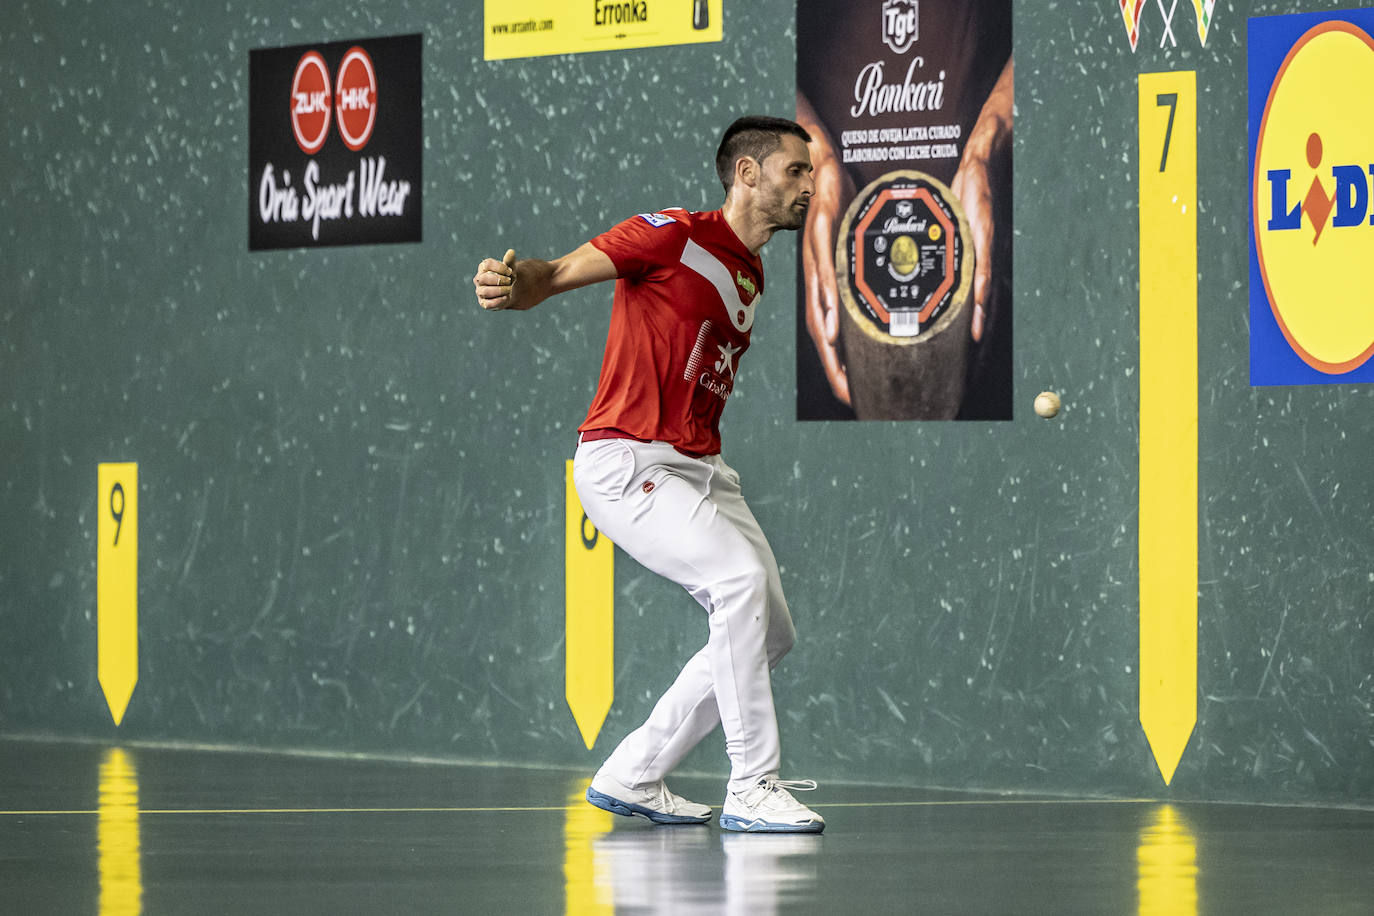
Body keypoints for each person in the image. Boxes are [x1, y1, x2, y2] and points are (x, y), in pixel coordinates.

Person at [471, 116, 825, 834]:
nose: (810, 186)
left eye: (810, 173)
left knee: (770, 630)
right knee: (739, 584)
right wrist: (515, 282)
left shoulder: (752, 267)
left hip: (699, 465)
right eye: (796, 171)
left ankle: (634, 773)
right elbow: (557, 275)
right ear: (747, 174)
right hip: (627, 458)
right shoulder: (672, 234)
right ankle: (753, 784)